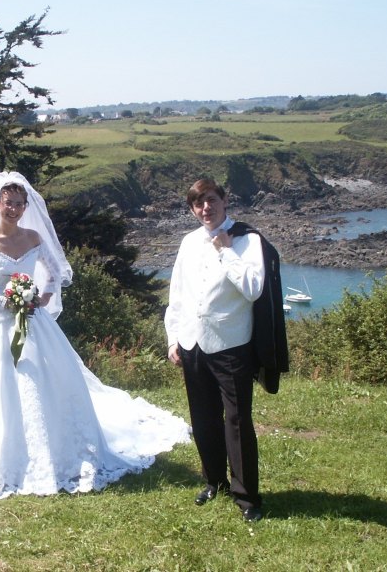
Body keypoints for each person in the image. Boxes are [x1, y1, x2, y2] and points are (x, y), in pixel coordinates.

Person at [0, 171, 190, 499]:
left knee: (43, 384)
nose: (13, 209)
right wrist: (9, 302)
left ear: (26, 206)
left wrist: (39, 297)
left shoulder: (33, 238)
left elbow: (55, 274)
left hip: (33, 322)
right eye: (8, 203)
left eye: (19, 204)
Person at [164, 178, 265, 522]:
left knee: (237, 422)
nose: (205, 208)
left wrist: (225, 251)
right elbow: (177, 294)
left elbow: (253, 289)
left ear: (224, 200)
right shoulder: (188, 242)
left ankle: (247, 497)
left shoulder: (247, 240)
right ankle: (213, 482)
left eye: (210, 200)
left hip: (230, 345)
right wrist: (172, 338)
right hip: (192, 343)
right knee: (203, 420)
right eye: (198, 204)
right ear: (193, 210)